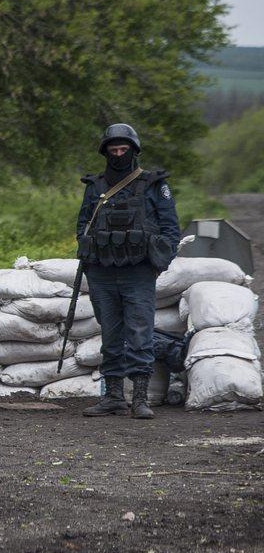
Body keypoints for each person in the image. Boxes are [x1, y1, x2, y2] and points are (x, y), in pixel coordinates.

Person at [77, 123, 180, 419]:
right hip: (101, 272)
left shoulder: (153, 184)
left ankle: (139, 398)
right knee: (110, 335)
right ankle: (112, 396)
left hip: (139, 273)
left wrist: (159, 264)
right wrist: (87, 253)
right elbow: (82, 224)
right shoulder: (95, 186)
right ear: (105, 152)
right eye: (113, 150)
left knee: (139, 334)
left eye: (124, 150)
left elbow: (170, 229)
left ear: (133, 151)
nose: (118, 154)